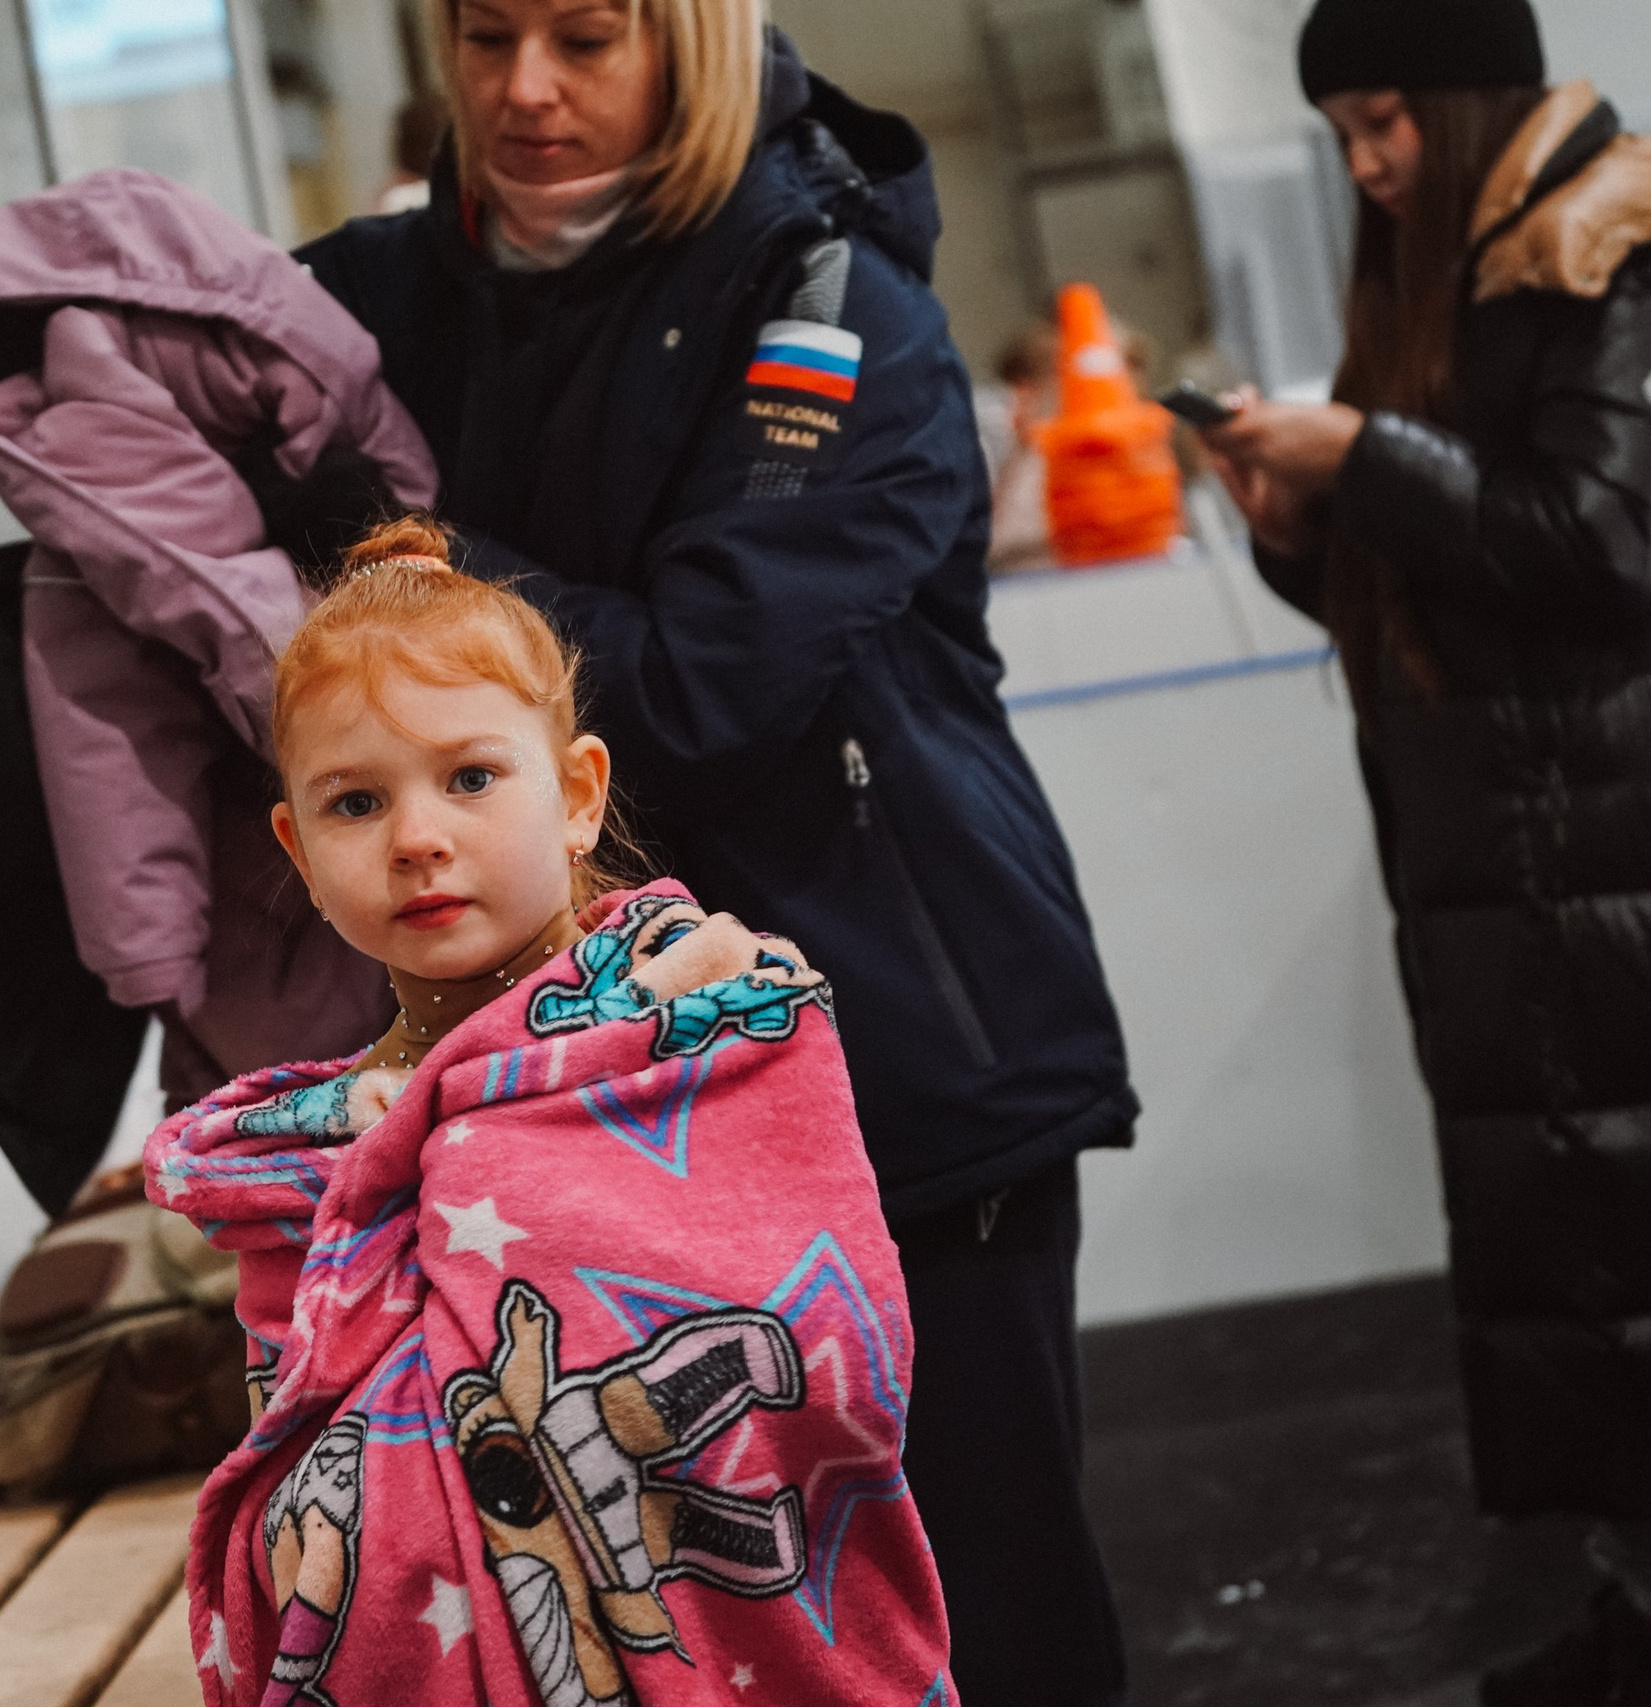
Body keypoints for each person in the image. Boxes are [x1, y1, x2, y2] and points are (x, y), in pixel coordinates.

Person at [298, 5, 1138, 1700]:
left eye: (585, 36)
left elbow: (696, 693)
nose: (523, 88)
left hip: (901, 1077)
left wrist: (417, 558)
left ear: (685, 38)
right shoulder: (371, 312)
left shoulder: (839, 314)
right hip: (567, 1137)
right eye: (484, 33)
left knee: (982, 1618)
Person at [1198, 1, 1651, 1700]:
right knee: (1598, 1271)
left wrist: (1366, 456)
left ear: (1471, 100)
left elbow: (1605, 542)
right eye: (1340, 136)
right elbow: (1458, 592)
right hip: (1529, 872)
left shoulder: (1639, 249)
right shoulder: (1462, 269)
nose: (1367, 163)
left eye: (1386, 120)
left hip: (1643, 859)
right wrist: (1300, 530)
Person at [146, 517, 951, 1707]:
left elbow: (817, 1356)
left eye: (471, 778)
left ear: (577, 795)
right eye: (355, 803)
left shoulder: (702, 1023)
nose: (418, 839)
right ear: (299, 852)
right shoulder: (303, 1160)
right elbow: (294, 1467)